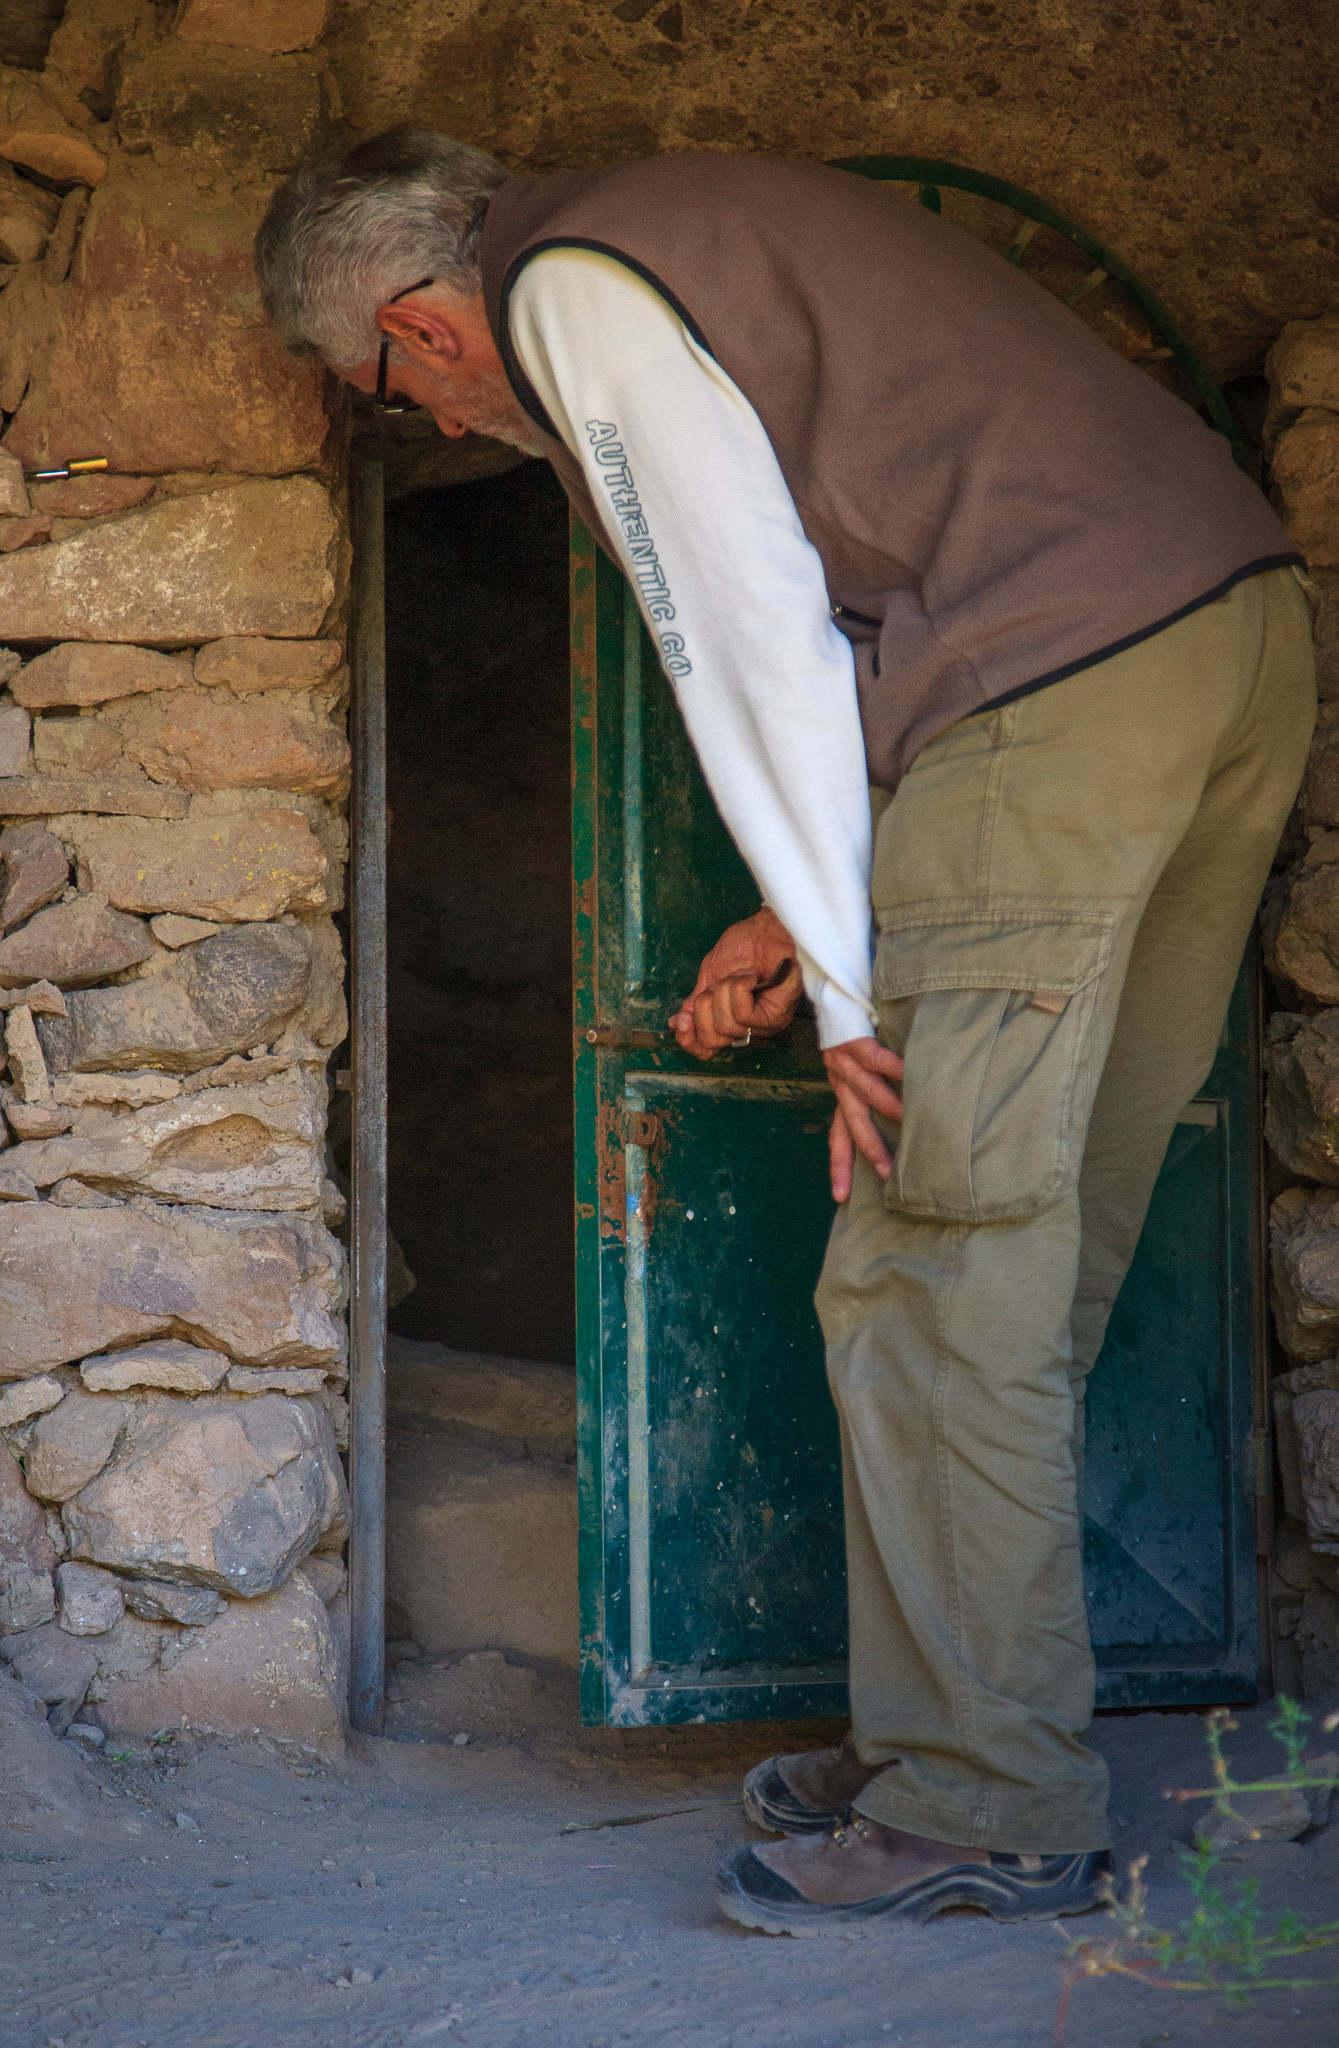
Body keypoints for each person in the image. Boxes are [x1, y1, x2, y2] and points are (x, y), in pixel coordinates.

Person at [255, 128, 1314, 1936]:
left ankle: (987, 1798)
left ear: (417, 318)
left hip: (1051, 692)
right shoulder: (689, 218)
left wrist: (845, 988)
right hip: (1223, 641)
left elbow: (750, 637)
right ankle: (950, 1732)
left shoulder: (571, 290)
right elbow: (894, 579)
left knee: (930, 1268)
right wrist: (804, 906)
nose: (430, 426)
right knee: (1025, 1280)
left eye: (389, 390)